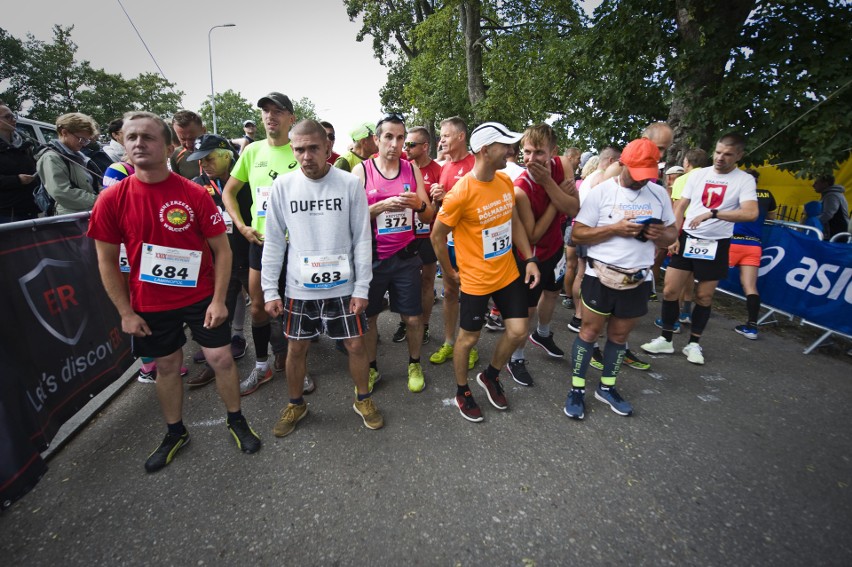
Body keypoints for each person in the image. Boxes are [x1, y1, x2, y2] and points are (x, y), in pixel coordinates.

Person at [88, 111, 261, 472]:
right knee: (167, 367)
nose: (138, 143)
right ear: (123, 142)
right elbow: (105, 261)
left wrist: (217, 300)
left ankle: (236, 419)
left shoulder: (193, 193)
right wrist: (125, 312)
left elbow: (222, 250)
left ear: (168, 147)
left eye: (148, 137)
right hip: (149, 303)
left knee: (222, 359)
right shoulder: (112, 199)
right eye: (132, 136)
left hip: (200, 299)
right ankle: (174, 431)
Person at [261, 120, 383, 436]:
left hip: (344, 286)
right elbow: (273, 240)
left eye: (313, 148)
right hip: (299, 288)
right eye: (299, 149)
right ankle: (296, 403)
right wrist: (269, 290)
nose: (306, 156)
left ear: (327, 148)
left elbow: (362, 238)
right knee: (296, 348)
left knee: (356, 345)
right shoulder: (283, 187)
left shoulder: (348, 184)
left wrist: (362, 287)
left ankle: (363, 399)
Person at [431, 121, 541, 422]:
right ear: (485, 150)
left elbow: (513, 223)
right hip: (476, 279)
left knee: (519, 331)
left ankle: (491, 375)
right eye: (504, 145)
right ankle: (462, 390)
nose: (510, 149)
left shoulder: (505, 181)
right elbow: (437, 236)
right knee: (468, 339)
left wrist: (529, 258)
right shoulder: (460, 193)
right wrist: (449, 271)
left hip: (507, 272)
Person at [564, 137, 678, 420]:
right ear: (623, 164)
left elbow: (673, 234)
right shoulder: (601, 192)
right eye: (637, 175)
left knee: (619, 336)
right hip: (600, 275)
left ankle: (607, 387)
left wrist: (659, 235)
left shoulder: (659, 194)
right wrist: (615, 228)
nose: (641, 182)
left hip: (637, 280)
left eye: (647, 177)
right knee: (589, 333)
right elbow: (577, 234)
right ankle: (577, 389)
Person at [642, 133, 758, 365]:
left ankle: (694, 343)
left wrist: (714, 214)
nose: (720, 158)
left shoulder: (744, 180)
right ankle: (666, 338)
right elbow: (681, 204)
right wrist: (674, 234)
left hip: (717, 243)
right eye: (718, 152)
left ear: (739, 156)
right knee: (670, 291)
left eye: (727, 155)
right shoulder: (700, 175)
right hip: (689, 239)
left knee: (704, 296)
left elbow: (751, 212)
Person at [222, 92, 302, 395]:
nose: (270, 116)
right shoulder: (252, 151)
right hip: (262, 243)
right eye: (266, 111)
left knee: (294, 309)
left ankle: (298, 368)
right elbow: (228, 192)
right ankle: (261, 366)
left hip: (296, 246)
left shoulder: (300, 151)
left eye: (278, 111)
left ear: (290, 118)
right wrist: (241, 226)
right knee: (257, 307)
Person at [352, 113, 435, 393]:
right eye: (388, 136)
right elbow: (348, 219)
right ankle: (372, 367)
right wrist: (379, 208)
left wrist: (419, 206)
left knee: (412, 318)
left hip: (406, 257)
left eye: (400, 138)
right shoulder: (361, 171)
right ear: (377, 139)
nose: (395, 143)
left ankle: (414, 363)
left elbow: (429, 215)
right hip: (372, 258)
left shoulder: (411, 170)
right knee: (370, 318)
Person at [508, 123, 580, 386]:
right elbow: (533, 235)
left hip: (555, 248)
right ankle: (515, 357)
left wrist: (550, 183)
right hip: (532, 257)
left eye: (539, 152)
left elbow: (573, 209)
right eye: (526, 152)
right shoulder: (520, 187)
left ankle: (543, 334)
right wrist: (556, 194)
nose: (531, 159)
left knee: (552, 293)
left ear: (553, 152)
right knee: (526, 309)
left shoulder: (562, 164)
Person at [183, 134, 254, 387]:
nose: (205, 165)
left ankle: (278, 359)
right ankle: (217, 361)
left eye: (209, 158)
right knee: (217, 308)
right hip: (219, 260)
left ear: (227, 155)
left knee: (265, 309)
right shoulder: (196, 184)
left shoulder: (247, 178)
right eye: (200, 160)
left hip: (250, 253)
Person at [429, 116, 480, 370]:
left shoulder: (475, 164)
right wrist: (438, 199)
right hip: (448, 241)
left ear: (461, 136)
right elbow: (445, 209)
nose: (441, 140)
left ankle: (469, 346)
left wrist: (448, 197)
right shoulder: (446, 166)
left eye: (446, 135)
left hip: (470, 244)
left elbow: (480, 205)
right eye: (441, 135)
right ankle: (450, 343)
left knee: (471, 296)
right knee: (449, 292)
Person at [391, 126, 443, 345]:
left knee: (427, 282)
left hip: (428, 235)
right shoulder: (401, 165)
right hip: (403, 234)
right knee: (405, 282)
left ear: (425, 146)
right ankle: (407, 322)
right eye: (406, 143)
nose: (406, 147)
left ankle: (425, 325)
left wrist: (440, 198)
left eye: (411, 144)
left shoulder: (438, 170)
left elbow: (443, 208)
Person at [729, 169, 776, 339]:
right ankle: (752, 326)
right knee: (750, 286)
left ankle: (687, 313)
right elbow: (772, 216)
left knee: (707, 278)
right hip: (754, 244)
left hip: (733, 242)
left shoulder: (736, 192)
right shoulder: (767, 195)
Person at [35, 112, 102, 215]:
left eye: (86, 140)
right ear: (64, 132)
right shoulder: (51, 158)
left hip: (89, 212)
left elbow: (94, 183)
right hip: (70, 218)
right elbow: (62, 192)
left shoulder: (80, 156)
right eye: (80, 139)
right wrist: (98, 199)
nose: (83, 143)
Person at [0, 103, 40, 223]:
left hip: (29, 207)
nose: (13, 120)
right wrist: (17, 180)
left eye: (13, 116)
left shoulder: (22, 143)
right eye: (8, 117)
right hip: (7, 211)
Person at [169, 110, 206, 180]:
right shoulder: (176, 155)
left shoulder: (221, 149)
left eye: (192, 139)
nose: (188, 144)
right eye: (182, 139)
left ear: (203, 130)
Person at [813, 174, 849, 240]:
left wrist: (813, 222)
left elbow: (828, 214)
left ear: (825, 184)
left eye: (816, 183)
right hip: (835, 232)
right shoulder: (831, 194)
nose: (813, 185)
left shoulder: (832, 196)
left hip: (836, 233)